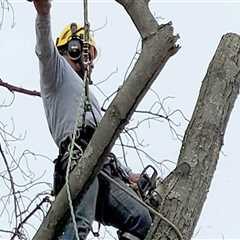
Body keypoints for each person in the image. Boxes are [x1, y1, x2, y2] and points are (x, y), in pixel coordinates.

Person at [32, 1, 152, 240]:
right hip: (77, 160)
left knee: (142, 221)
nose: (86, 61)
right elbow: (45, 49)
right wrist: (43, 13)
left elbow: (103, 143)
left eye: (89, 57)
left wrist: (129, 175)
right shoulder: (56, 72)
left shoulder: (90, 96)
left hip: (102, 168)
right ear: (70, 47)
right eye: (80, 51)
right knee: (80, 225)